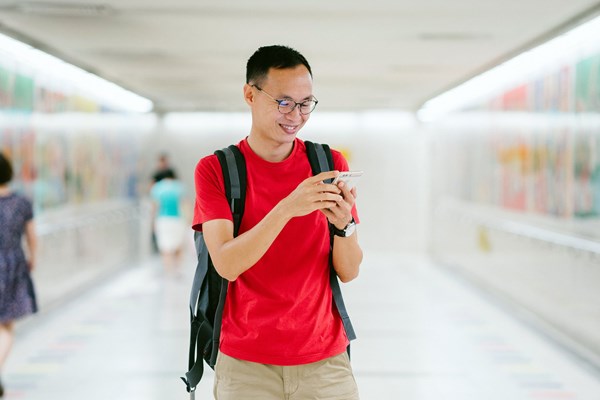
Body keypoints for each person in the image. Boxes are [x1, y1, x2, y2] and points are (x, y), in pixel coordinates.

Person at [193, 45, 363, 399]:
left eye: (305, 103)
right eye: (283, 102)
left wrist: (344, 226)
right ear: (250, 95)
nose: (296, 115)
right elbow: (226, 263)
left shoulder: (328, 163)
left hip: (325, 361)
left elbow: (348, 271)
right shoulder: (216, 170)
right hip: (245, 365)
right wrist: (287, 207)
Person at [0, 151, 37, 397]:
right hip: (12, 264)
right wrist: (33, 259)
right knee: (5, 324)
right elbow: (32, 237)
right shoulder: (21, 202)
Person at [150, 169, 187, 273]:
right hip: (177, 219)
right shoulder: (179, 186)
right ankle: (178, 269)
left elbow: (155, 206)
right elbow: (184, 204)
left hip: (163, 220)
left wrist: (152, 222)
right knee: (179, 245)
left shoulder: (157, 187)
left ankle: (168, 271)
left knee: (165, 247)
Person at [150, 153, 177, 254]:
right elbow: (151, 186)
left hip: (170, 206)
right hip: (160, 203)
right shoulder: (156, 174)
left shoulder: (170, 172)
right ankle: (157, 248)